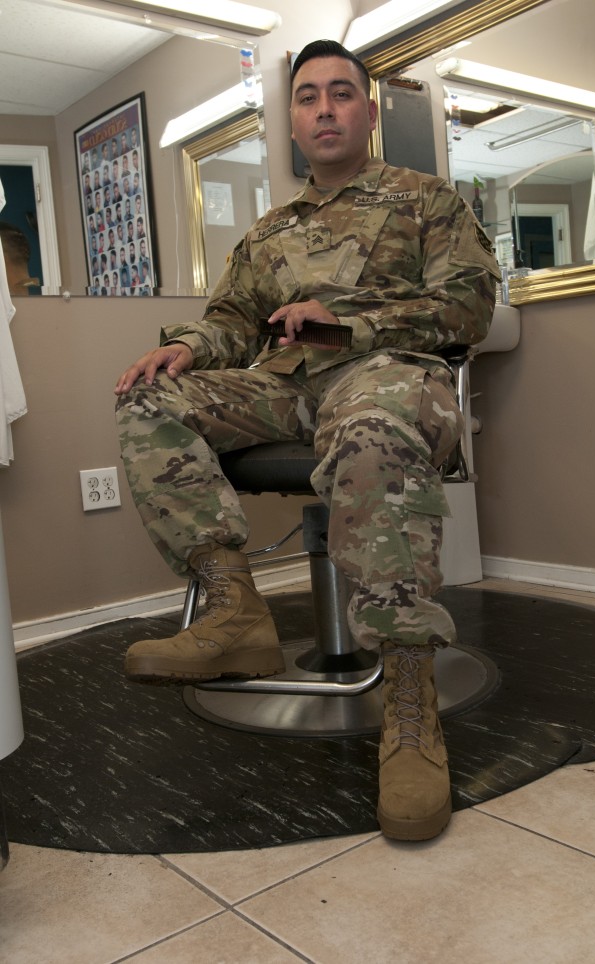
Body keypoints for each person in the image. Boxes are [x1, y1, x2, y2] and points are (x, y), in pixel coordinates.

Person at [114, 39, 499, 842]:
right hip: (286, 385)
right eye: (308, 97)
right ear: (291, 118)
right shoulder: (267, 233)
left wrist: (345, 323)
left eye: (340, 94)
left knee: (369, 430)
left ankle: (407, 696)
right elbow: (229, 321)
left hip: (382, 370)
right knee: (148, 399)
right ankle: (235, 610)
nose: (324, 108)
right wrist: (188, 346)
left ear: (367, 109)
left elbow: (466, 310)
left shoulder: (425, 200)